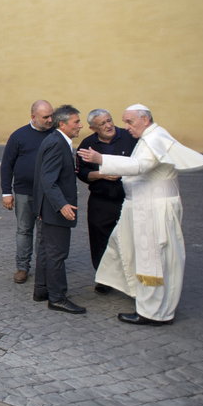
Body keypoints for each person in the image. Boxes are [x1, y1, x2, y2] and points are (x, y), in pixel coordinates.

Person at [78, 104, 203, 325]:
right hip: (142, 206)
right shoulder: (150, 136)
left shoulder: (154, 138)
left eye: (129, 122)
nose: (125, 127)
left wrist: (102, 160)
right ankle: (141, 296)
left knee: (153, 259)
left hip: (152, 209)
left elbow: (141, 165)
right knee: (122, 244)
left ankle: (153, 313)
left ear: (145, 120)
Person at [76, 109, 137, 293]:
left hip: (128, 197)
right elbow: (82, 172)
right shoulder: (87, 145)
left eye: (109, 120)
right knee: (99, 239)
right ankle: (103, 278)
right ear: (93, 128)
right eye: (102, 124)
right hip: (101, 200)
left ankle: (131, 279)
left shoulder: (129, 137)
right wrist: (101, 175)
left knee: (129, 238)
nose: (108, 125)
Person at [32, 104, 85, 314]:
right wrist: (62, 204)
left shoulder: (56, 140)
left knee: (46, 250)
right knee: (57, 253)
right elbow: (48, 179)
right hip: (55, 209)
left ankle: (42, 289)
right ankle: (57, 297)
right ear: (62, 124)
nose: (80, 126)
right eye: (76, 122)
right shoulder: (57, 143)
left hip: (49, 208)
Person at [0, 100, 54, 284]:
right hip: (24, 192)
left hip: (47, 194)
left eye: (51, 115)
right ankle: (22, 267)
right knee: (24, 230)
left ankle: (43, 267)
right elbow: (7, 165)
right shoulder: (19, 136)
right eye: (45, 117)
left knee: (44, 232)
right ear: (33, 117)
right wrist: (6, 192)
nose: (50, 120)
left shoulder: (55, 135)